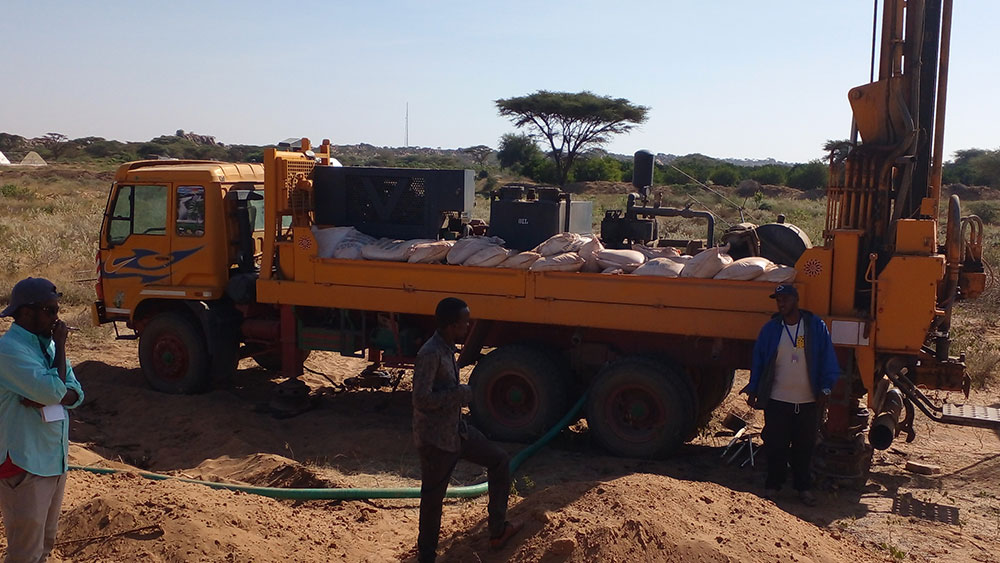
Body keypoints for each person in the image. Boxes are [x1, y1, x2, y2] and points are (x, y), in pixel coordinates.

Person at [412, 297, 522, 562]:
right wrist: (459, 394)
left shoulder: (448, 347)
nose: (468, 325)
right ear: (451, 325)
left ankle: (498, 531)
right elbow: (421, 399)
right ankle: (426, 557)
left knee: (499, 460)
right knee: (432, 502)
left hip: (457, 432)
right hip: (436, 440)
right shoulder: (430, 353)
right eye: (464, 321)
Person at [0, 277, 85, 563]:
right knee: (25, 552)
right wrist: (59, 352)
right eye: (51, 310)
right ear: (26, 312)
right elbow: (55, 390)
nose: (57, 318)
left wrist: (54, 393)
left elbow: (76, 392)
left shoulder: (44, 345)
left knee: (44, 547)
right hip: (24, 464)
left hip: (52, 459)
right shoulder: (9, 350)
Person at [740, 284, 839, 506]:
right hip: (778, 401)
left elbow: (828, 360)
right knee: (776, 445)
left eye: (785, 299)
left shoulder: (814, 327)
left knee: (804, 448)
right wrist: (754, 388)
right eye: (778, 300)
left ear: (796, 300)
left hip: (808, 402)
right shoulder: (771, 329)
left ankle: (803, 488)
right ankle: (773, 487)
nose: (781, 303)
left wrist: (826, 387)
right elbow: (759, 361)